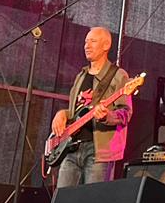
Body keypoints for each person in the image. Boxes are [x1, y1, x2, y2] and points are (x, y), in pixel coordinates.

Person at [51, 27, 132, 186]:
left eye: (92, 41)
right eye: (85, 42)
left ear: (106, 45)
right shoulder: (81, 76)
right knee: (63, 201)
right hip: (71, 148)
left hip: (99, 152)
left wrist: (107, 116)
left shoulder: (118, 75)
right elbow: (75, 113)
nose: (86, 46)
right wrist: (62, 114)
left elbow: (125, 112)